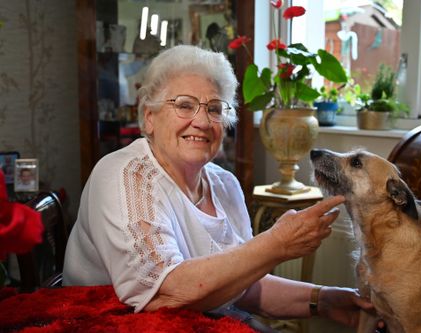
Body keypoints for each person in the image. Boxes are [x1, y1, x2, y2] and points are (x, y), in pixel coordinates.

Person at [63, 45, 376, 331]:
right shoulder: (125, 175)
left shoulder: (224, 183)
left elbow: (242, 285)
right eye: (184, 105)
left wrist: (324, 300)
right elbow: (163, 293)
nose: (201, 121)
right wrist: (275, 244)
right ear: (149, 117)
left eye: (214, 109)